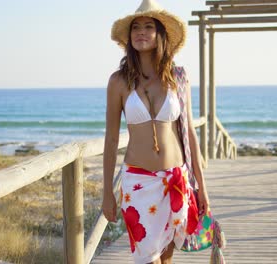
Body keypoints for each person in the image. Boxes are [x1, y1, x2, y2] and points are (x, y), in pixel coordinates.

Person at [102, 0, 209, 263]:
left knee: (167, 256)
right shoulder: (118, 81)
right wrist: (107, 192)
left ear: (160, 33)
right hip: (138, 184)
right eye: (136, 27)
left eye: (149, 26)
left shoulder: (178, 77)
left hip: (175, 179)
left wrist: (202, 187)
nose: (141, 32)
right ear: (128, 36)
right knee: (146, 258)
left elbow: (190, 135)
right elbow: (112, 138)